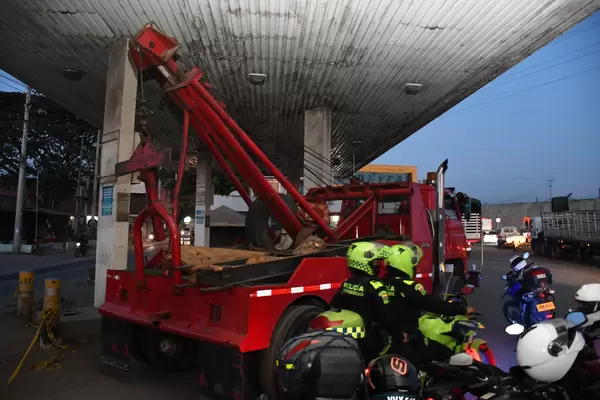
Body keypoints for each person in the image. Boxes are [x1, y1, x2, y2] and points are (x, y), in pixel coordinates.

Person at [381, 242, 476, 365]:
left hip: (385, 338)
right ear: (405, 264)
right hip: (408, 339)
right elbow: (435, 305)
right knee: (445, 353)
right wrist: (463, 309)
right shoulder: (411, 287)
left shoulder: (380, 284)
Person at [328, 241, 413, 364]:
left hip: (353, 340)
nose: (378, 265)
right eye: (375, 262)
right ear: (365, 262)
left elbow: (334, 306)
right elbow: (388, 318)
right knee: (411, 354)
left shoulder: (347, 283)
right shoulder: (375, 286)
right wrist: (401, 334)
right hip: (373, 342)